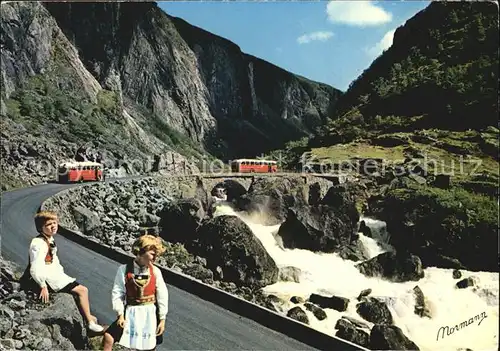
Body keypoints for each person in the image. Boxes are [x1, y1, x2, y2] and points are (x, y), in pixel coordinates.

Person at [22, 211, 104, 333]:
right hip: (45, 278)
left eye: (55, 223)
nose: (53, 226)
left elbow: (53, 261)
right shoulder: (38, 243)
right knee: (82, 290)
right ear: (40, 228)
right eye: (49, 224)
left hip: (53, 274)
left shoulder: (49, 239)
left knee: (78, 289)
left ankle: (89, 317)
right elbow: (35, 266)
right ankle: (90, 323)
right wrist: (42, 285)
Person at [103, 234, 169, 351]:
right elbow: (118, 292)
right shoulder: (124, 270)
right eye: (153, 254)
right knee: (109, 337)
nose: (154, 259)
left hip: (149, 314)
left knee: (149, 346)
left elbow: (162, 295)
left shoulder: (155, 272)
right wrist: (120, 315)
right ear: (142, 251)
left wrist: (162, 319)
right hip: (131, 312)